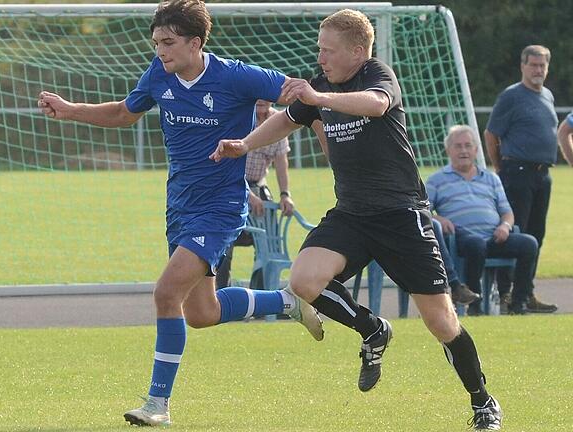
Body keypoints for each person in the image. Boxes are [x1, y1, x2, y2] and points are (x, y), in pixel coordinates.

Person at [37, 0, 326, 426]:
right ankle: (284, 302)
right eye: (155, 42)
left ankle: (157, 404)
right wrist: (70, 109)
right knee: (201, 313)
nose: (160, 51)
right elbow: (123, 113)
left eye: (168, 43)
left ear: (196, 43)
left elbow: (299, 94)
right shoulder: (159, 74)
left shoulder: (236, 75)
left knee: (165, 294)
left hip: (222, 207)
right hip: (180, 207)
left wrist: (330, 133)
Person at [211, 9, 503, 430]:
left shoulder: (376, 76)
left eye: (328, 51)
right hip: (352, 213)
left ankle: (483, 403)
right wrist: (244, 143)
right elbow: (285, 120)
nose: (321, 58)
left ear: (358, 51)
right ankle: (373, 329)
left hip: (401, 214)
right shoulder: (321, 86)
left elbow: (377, 104)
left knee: (441, 321)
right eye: (318, 49)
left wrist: (319, 99)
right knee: (303, 281)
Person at [427, 125, 539, 315]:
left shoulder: (491, 178)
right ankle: (475, 304)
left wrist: (505, 226)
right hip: (462, 238)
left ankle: (517, 302)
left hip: (495, 236)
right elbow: (423, 211)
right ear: (448, 150)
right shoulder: (436, 180)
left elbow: (507, 212)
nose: (463, 150)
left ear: (476, 150)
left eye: (468, 146)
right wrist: (439, 218)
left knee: (529, 244)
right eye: (458, 146)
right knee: (476, 244)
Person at [484, 45, 558, 313]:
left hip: (542, 174)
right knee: (516, 234)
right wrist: (501, 166)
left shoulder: (547, 95)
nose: (538, 70)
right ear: (523, 66)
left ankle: (526, 293)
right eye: (533, 65)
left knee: (536, 235)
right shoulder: (512, 96)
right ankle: (506, 294)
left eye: (542, 66)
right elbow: (491, 134)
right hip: (517, 173)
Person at [215, 99, 295, 290]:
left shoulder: (278, 121)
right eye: (257, 95)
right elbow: (225, 164)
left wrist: (285, 194)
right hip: (231, 187)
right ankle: (220, 296)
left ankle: (261, 296)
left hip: (259, 185)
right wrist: (247, 195)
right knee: (224, 243)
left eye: (265, 96)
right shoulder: (238, 117)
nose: (261, 101)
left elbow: (281, 162)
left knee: (269, 241)